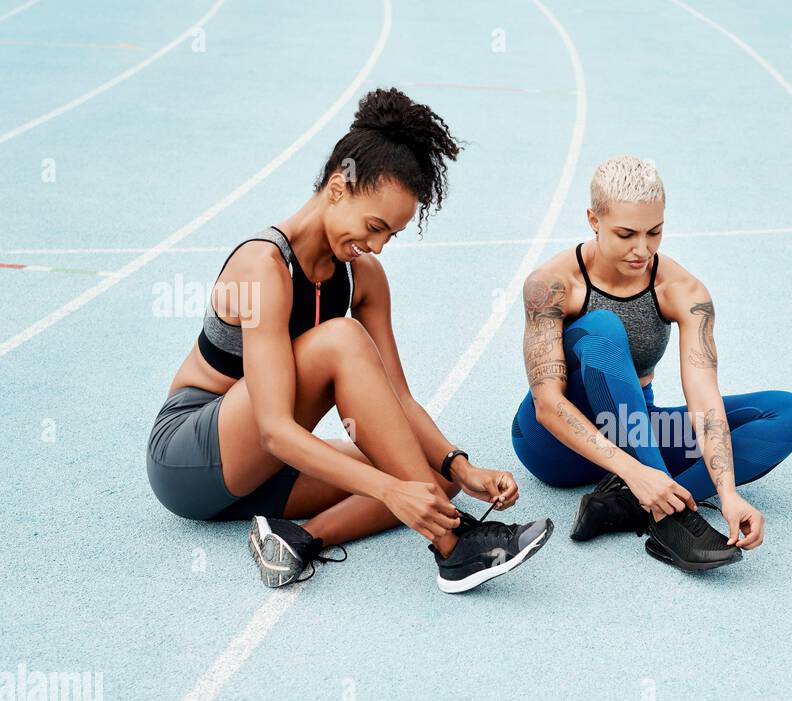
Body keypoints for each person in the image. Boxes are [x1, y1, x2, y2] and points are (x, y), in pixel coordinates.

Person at [146, 88, 552, 594]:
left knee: (433, 480)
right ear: (338, 187)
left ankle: (296, 538)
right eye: (375, 226)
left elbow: (398, 399)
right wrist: (391, 490)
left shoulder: (364, 276)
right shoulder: (262, 267)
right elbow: (273, 428)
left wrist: (460, 466)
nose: (378, 245)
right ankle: (454, 550)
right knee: (342, 343)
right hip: (193, 457)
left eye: (391, 235)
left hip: (267, 475)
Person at [510, 156, 792, 571]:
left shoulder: (683, 290)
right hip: (554, 445)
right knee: (602, 327)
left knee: (790, 412)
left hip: (633, 431)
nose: (643, 249)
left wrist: (726, 493)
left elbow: (705, 401)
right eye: (626, 234)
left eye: (655, 232)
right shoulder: (552, 284)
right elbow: (547, 406)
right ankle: (669, 517)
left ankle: (632, 506)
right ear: (593, 220)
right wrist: (636, 471)